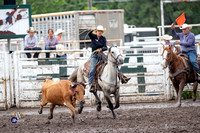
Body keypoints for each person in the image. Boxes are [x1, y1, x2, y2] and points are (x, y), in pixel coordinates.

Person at [88, 25, 130, 92]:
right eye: (98, 31)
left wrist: (101, 49)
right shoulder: (93, 37)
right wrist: (92, 29)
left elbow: (105, 47)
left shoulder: (103, 38)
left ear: (102, 32)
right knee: (92, 68)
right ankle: (90, 83)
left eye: (101, 31)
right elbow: (89, 34)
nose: (99, 32)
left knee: (113, 63)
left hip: (101, 54)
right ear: (96, 31)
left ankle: (122, 76)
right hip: (95, 55)